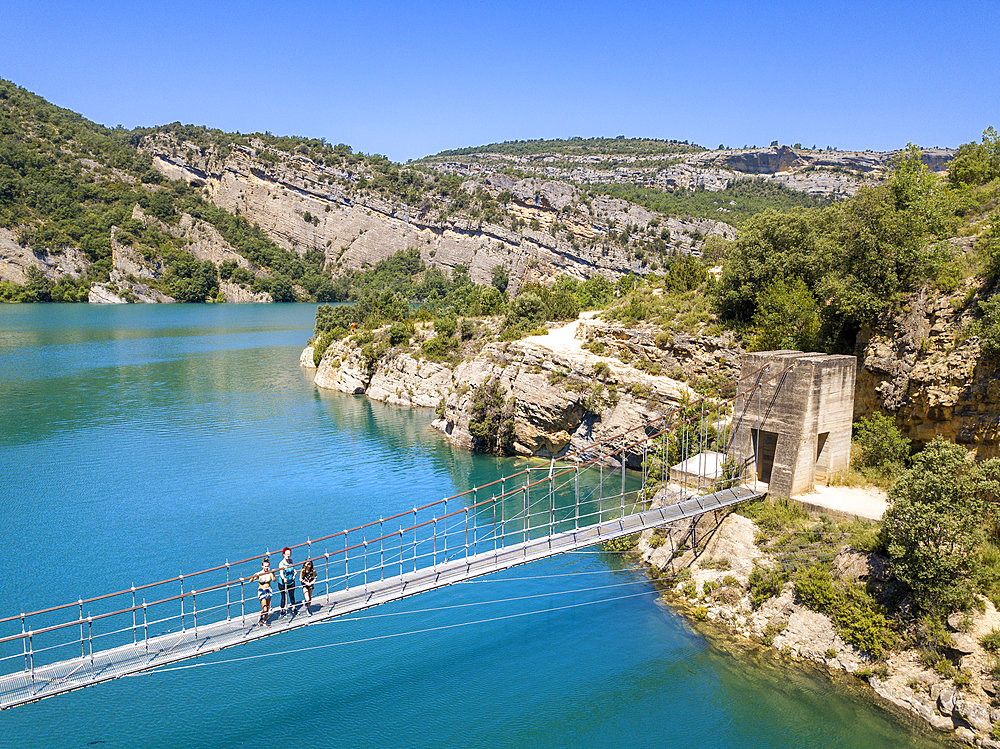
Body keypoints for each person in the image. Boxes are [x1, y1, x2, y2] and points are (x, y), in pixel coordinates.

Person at [249, 558, 275, 627]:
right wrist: (253, 577)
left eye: (267, 566)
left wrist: (273, 574)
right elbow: (250, 581)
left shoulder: (270, 573)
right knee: (265, 608)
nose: (266, 568)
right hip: (262, 591)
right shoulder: (259, 574)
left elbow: (274, 580)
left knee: (267, 606)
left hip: (268, 590)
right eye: (265, 566)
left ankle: (265, 621)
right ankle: (261, 617)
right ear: (262, 566)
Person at [278, 547, 297, 613]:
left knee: (292, 595)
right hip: (283, 583)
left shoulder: (291, 561)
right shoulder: (281, 564)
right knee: (283, 596)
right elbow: (281, 573)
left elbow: (293, 569)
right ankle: (282, 609)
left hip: (291, 581)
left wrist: (294, 574)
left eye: (289, 554)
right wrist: (284, 578)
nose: (288, 555)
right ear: (283, 554)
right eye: (287, 554)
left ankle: (294, 607)